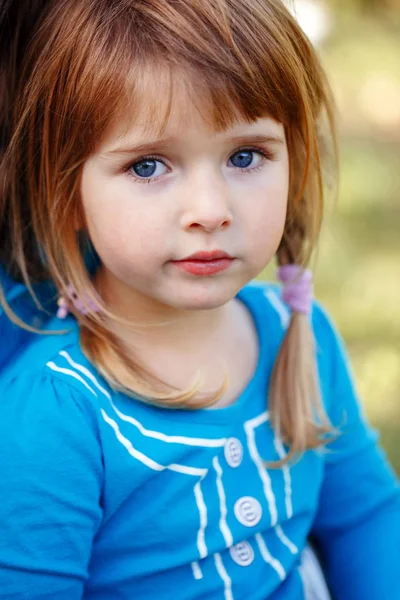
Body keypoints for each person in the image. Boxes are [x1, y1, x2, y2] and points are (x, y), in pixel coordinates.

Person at [0, 1, 399, 598]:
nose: (210, 211)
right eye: (148, 165)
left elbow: (366, 521)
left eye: (245, 156)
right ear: (67, 195)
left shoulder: (297, 335)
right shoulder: (56, 412)